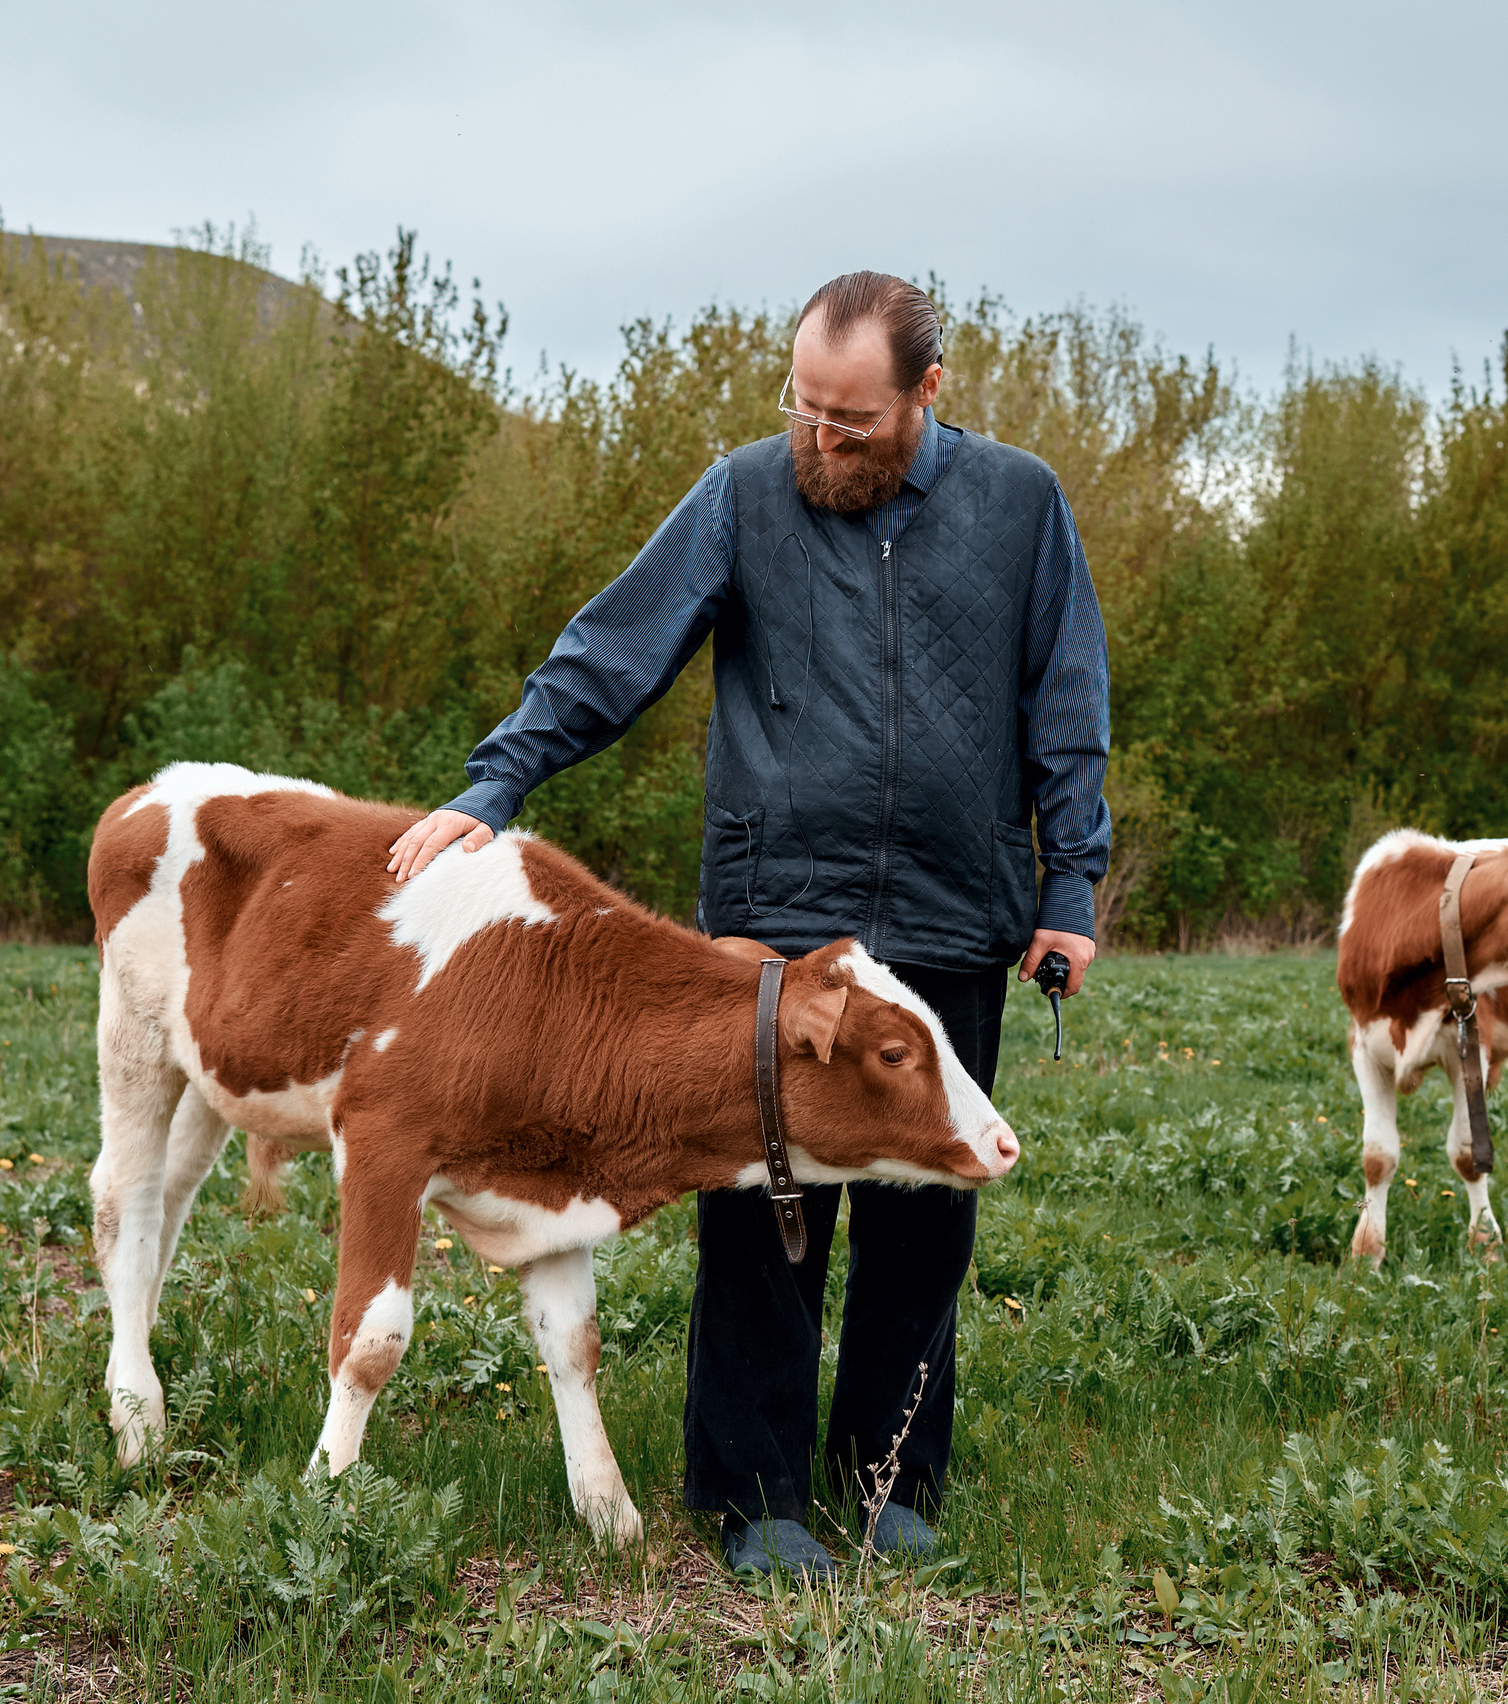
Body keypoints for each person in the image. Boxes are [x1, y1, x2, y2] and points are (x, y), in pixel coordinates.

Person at [385, 271, 1110, 1580]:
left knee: (924, 1215)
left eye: (853, 419)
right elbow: (612, 653)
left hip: (955, 910)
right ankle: (754, 1497)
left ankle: (891, 1480)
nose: (821, 439)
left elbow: (1064, 704)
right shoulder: (743, 495)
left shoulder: (1021, 504)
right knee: (762, 1209)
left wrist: (1070, 893)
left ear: (928, 392)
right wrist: (496, 787)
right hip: (778, 922)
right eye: (804, 407)